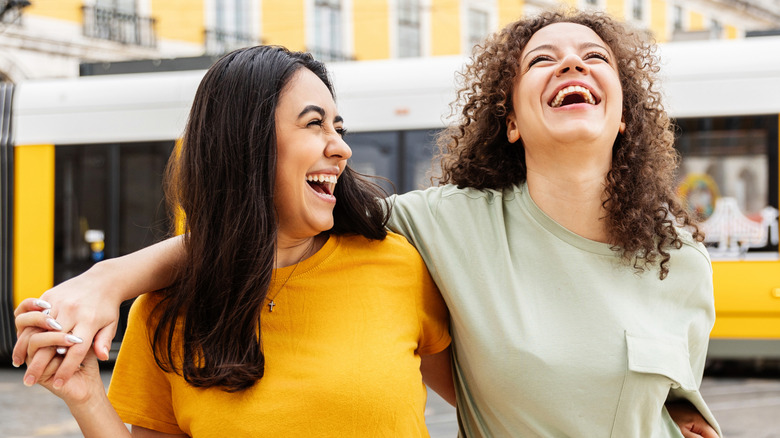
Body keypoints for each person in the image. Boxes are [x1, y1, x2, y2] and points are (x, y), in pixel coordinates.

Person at [16, 9, 721, 438]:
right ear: (507, 120)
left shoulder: (683, 262)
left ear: (627, 111)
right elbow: (266, 226)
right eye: (545, 58)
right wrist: (108, 292)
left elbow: (672, 398)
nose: (343, 146)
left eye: (596, 57)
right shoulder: (434, 232)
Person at [13, 45, 454, 437]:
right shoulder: (163, 311)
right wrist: (86, 396)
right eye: (314, 123)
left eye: (338, 126)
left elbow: (490, 402)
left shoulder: (398, 265)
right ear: (247, 145)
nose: (341, 147)